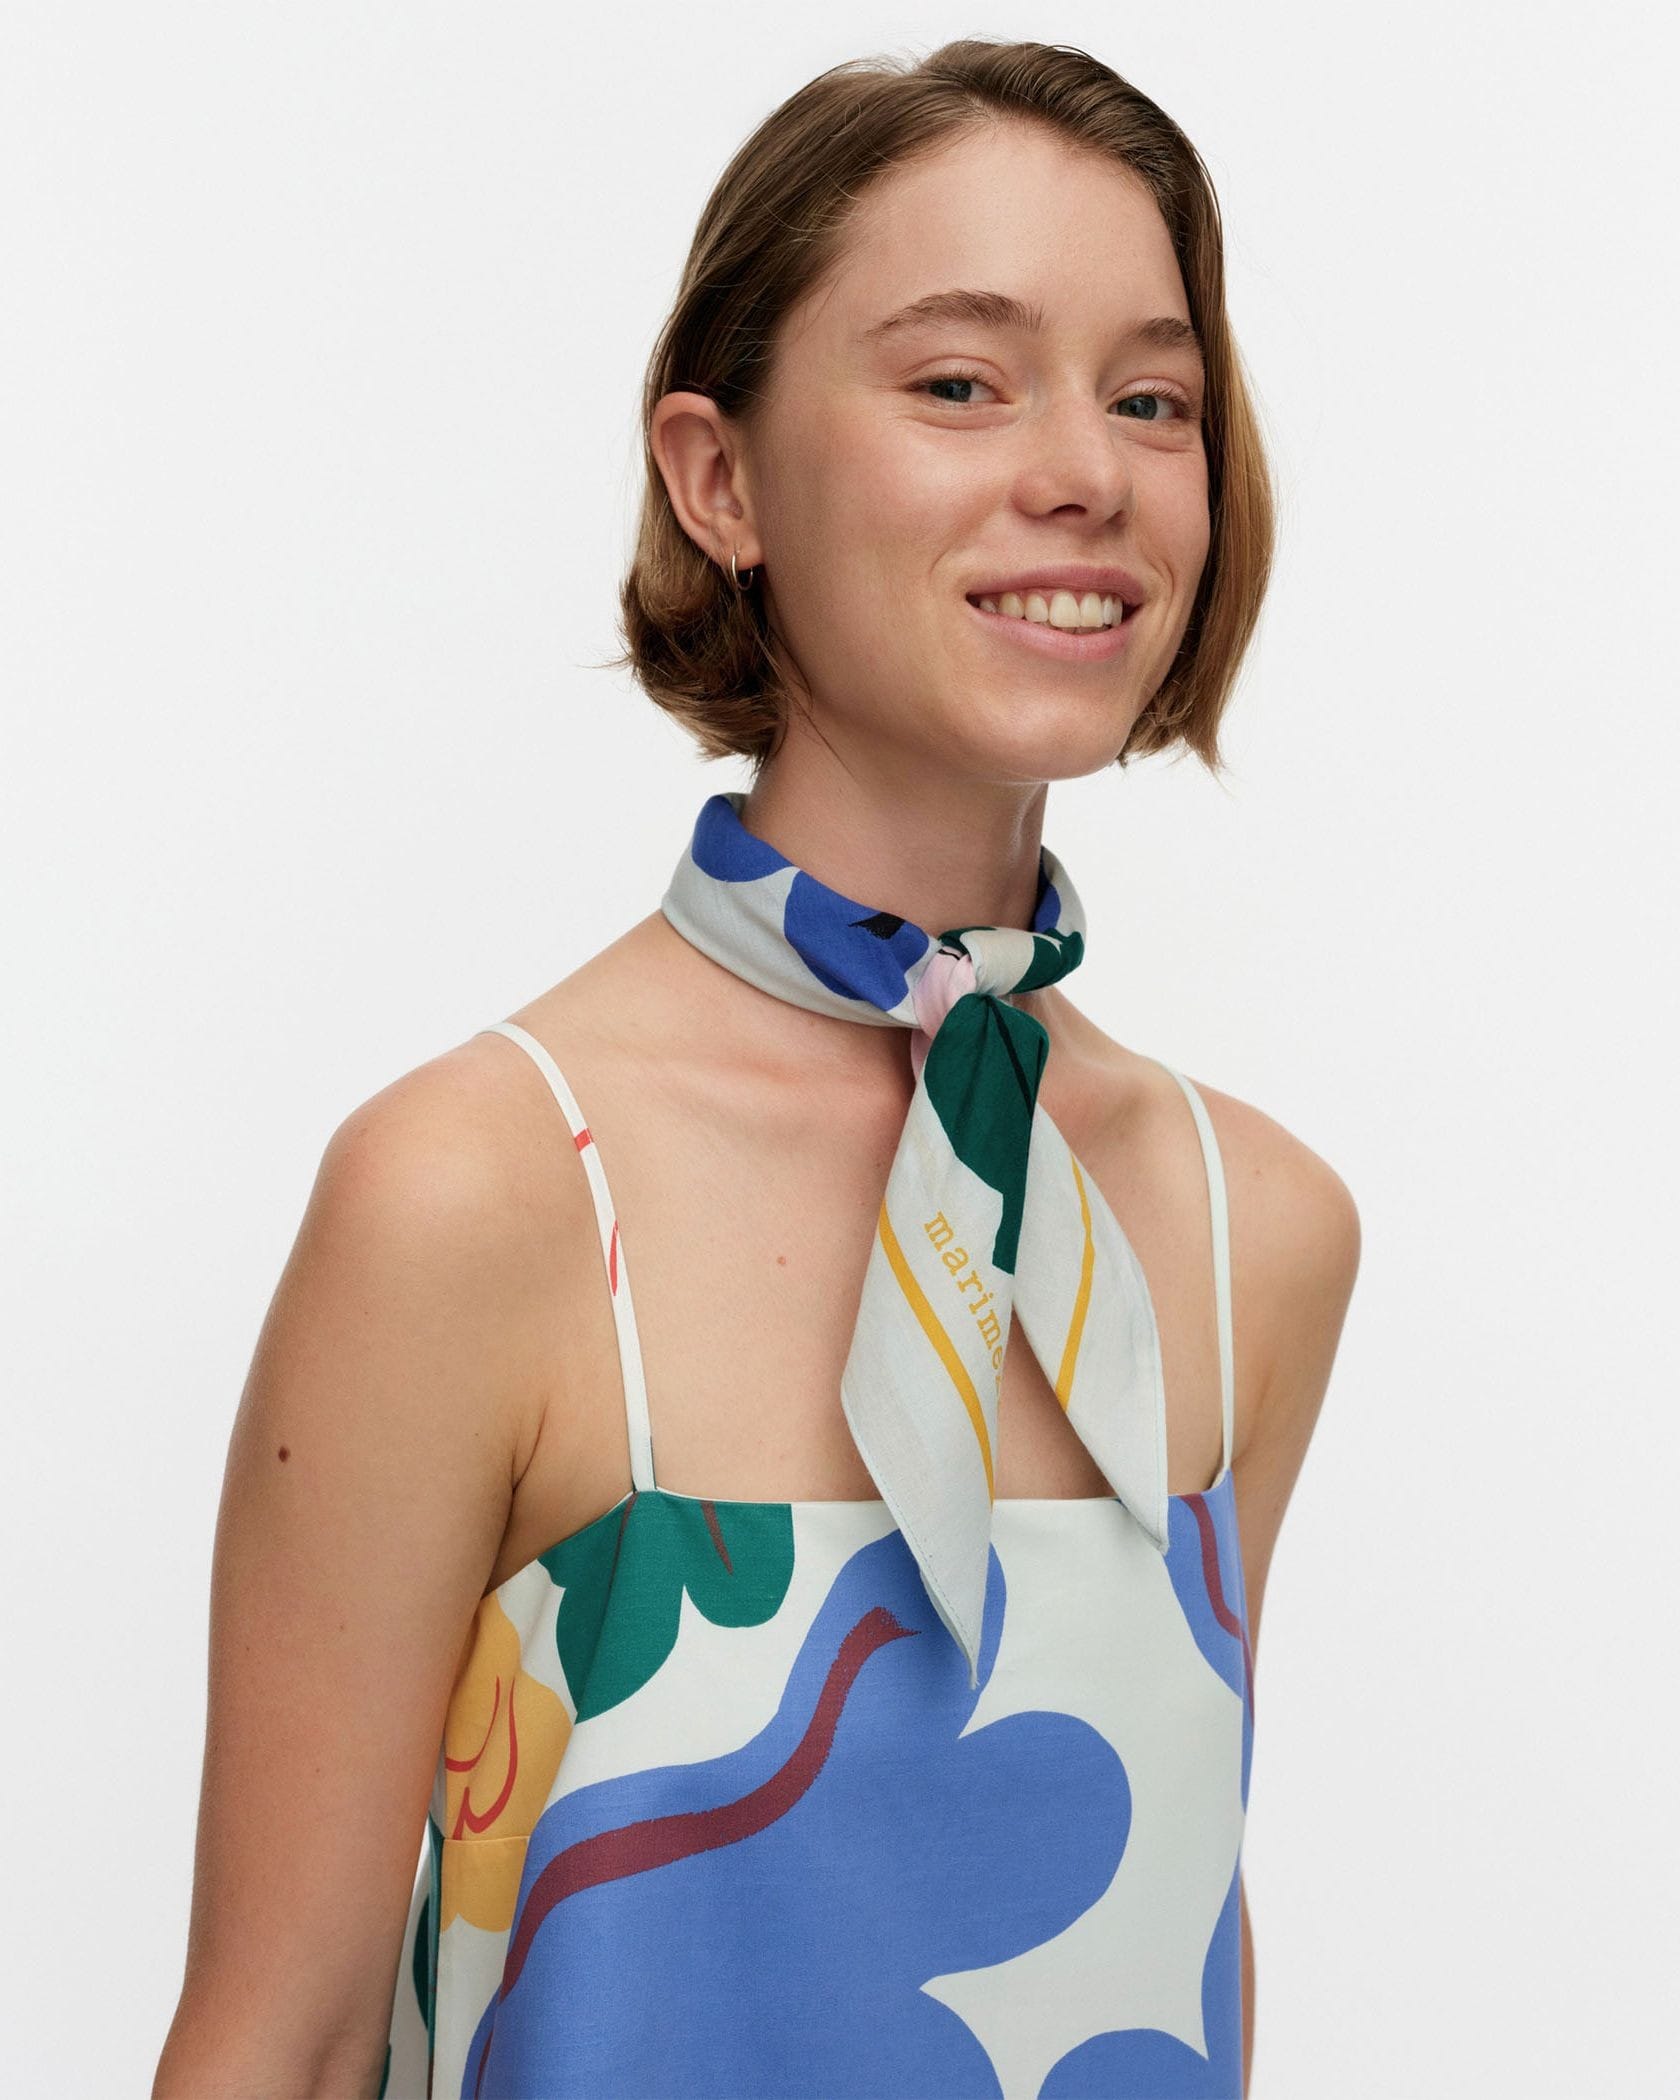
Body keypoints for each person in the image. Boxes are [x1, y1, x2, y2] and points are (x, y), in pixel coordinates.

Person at [154, 36, 1359, 2100]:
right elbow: (287, 2041)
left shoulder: (1255, 1231)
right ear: (719, 482)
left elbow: (1155, 1960)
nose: (1085, 469)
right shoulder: (486, 1192)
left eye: (1152, 399)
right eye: (961, 382)